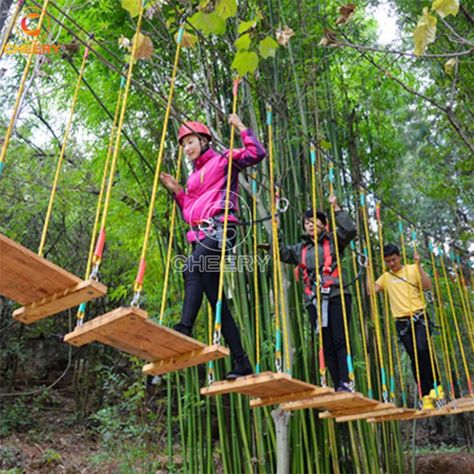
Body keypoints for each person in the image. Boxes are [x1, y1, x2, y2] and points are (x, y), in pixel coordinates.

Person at [160, 114, 266, 380]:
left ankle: (184, 328)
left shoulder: (224, 160)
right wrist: (177, 191)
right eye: (184, 144)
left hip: (221, 230)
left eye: (191, 141)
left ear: (204, 140)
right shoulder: (194, 178)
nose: (187, 148)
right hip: (202, 234)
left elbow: (257, 152)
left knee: (190, 268)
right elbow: (190, 212)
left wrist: (241, 126)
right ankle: (241, 362)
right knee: (216, 301)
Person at [278, 196, 357, 392]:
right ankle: (337, 382)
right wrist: (276, 226)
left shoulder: (333, 240)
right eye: (307, 222)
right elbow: (280, 252)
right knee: (325, 342)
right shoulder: (300, 249)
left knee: (339, 339)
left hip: (337, 294)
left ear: (323, 224)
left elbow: (349, 230)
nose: (310, 225)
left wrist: (336, 207)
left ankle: (347, 381)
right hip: (314, 299)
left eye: (315, 221)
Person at [368, 244, 444, 409]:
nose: (392, 264)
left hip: (419, 317)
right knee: (414, 358)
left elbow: (427, 285)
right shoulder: (386, 277)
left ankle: (436, 386)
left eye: (394, 260)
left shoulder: (412, 269)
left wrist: (419, 266)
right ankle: (425, 395)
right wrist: (367, 270)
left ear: (400, 256)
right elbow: (370, 291)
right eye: (388, 262)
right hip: (401, 323)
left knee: (423, 349)